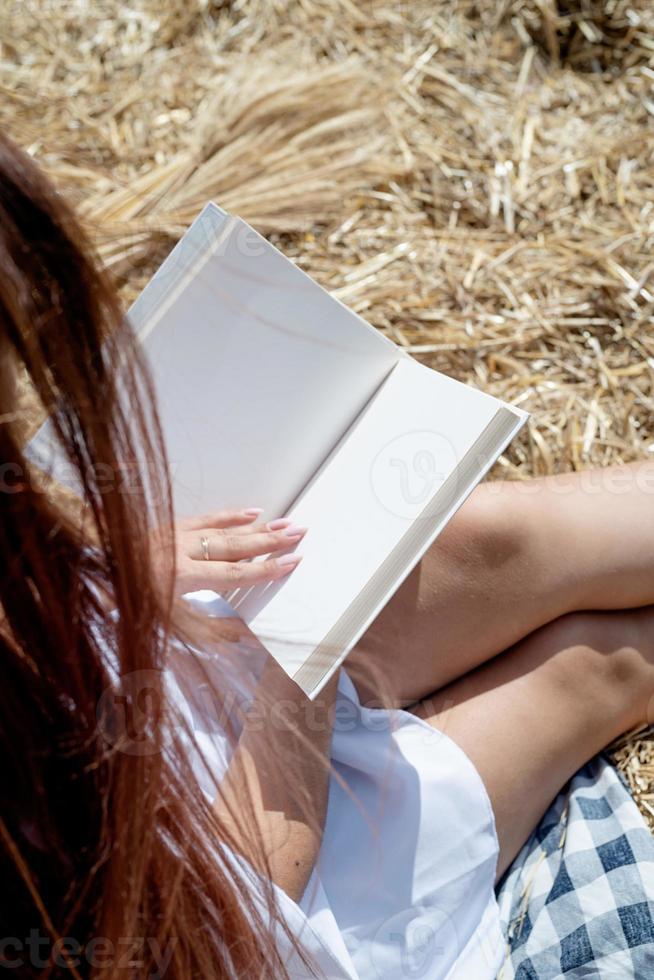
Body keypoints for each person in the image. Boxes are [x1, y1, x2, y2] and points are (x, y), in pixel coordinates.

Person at [1, 128, 654, 979]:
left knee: (495, 540)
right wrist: (308, 640)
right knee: (597, 668)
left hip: (170, 681)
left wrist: (101, 557)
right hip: (255, 888)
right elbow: (244, 905)